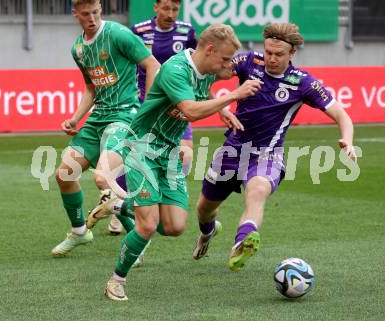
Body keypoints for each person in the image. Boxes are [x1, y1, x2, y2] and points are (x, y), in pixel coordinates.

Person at [90, 24, 262, 301]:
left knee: (175, 227)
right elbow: (190, 110)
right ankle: (116, 280)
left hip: (169, 153)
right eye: (225, 59)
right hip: (142, 147)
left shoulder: (205, 70)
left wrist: (223, 109)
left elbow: (203, 90)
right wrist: (233, 96)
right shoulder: (175, 70)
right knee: (147, 225)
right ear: (209, 50)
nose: (228, 66)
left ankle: (119, 204)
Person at [192, 22, 357, 272]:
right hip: (232, 151)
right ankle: (208, 232)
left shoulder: (303, 83)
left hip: (267, 155)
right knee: (204, 210)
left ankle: (242, 243)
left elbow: (341, 114)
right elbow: (206, 75)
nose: (271, 58)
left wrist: (348, 140)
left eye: (278, 54)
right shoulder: (248, 61)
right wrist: (222, 106)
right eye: (268, 52)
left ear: (292, 54)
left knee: (257, 191)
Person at [50, 0, 160, 257]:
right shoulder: (78, 48)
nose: (92, 19)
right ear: (75, 13)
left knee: (103, 178)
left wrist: (149, 108)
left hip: (123, 116)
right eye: (86, 14)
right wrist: (76, 118)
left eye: (96, 13)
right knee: (64, 174)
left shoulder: (118, 34)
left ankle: (141, 231)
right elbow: (91, 88)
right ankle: (80, 232)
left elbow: (153, 65)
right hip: (97, 118)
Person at [105, 0, 198, 235]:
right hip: (147, 106)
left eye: (175, 9)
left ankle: (142, 202)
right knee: (139, 156)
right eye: (165, 8)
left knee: (184, 155)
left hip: (177, 104)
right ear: (156, 7)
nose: (170, 14)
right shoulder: (139, 30)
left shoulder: (187, 32)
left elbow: (199, 67)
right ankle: (125, 201)